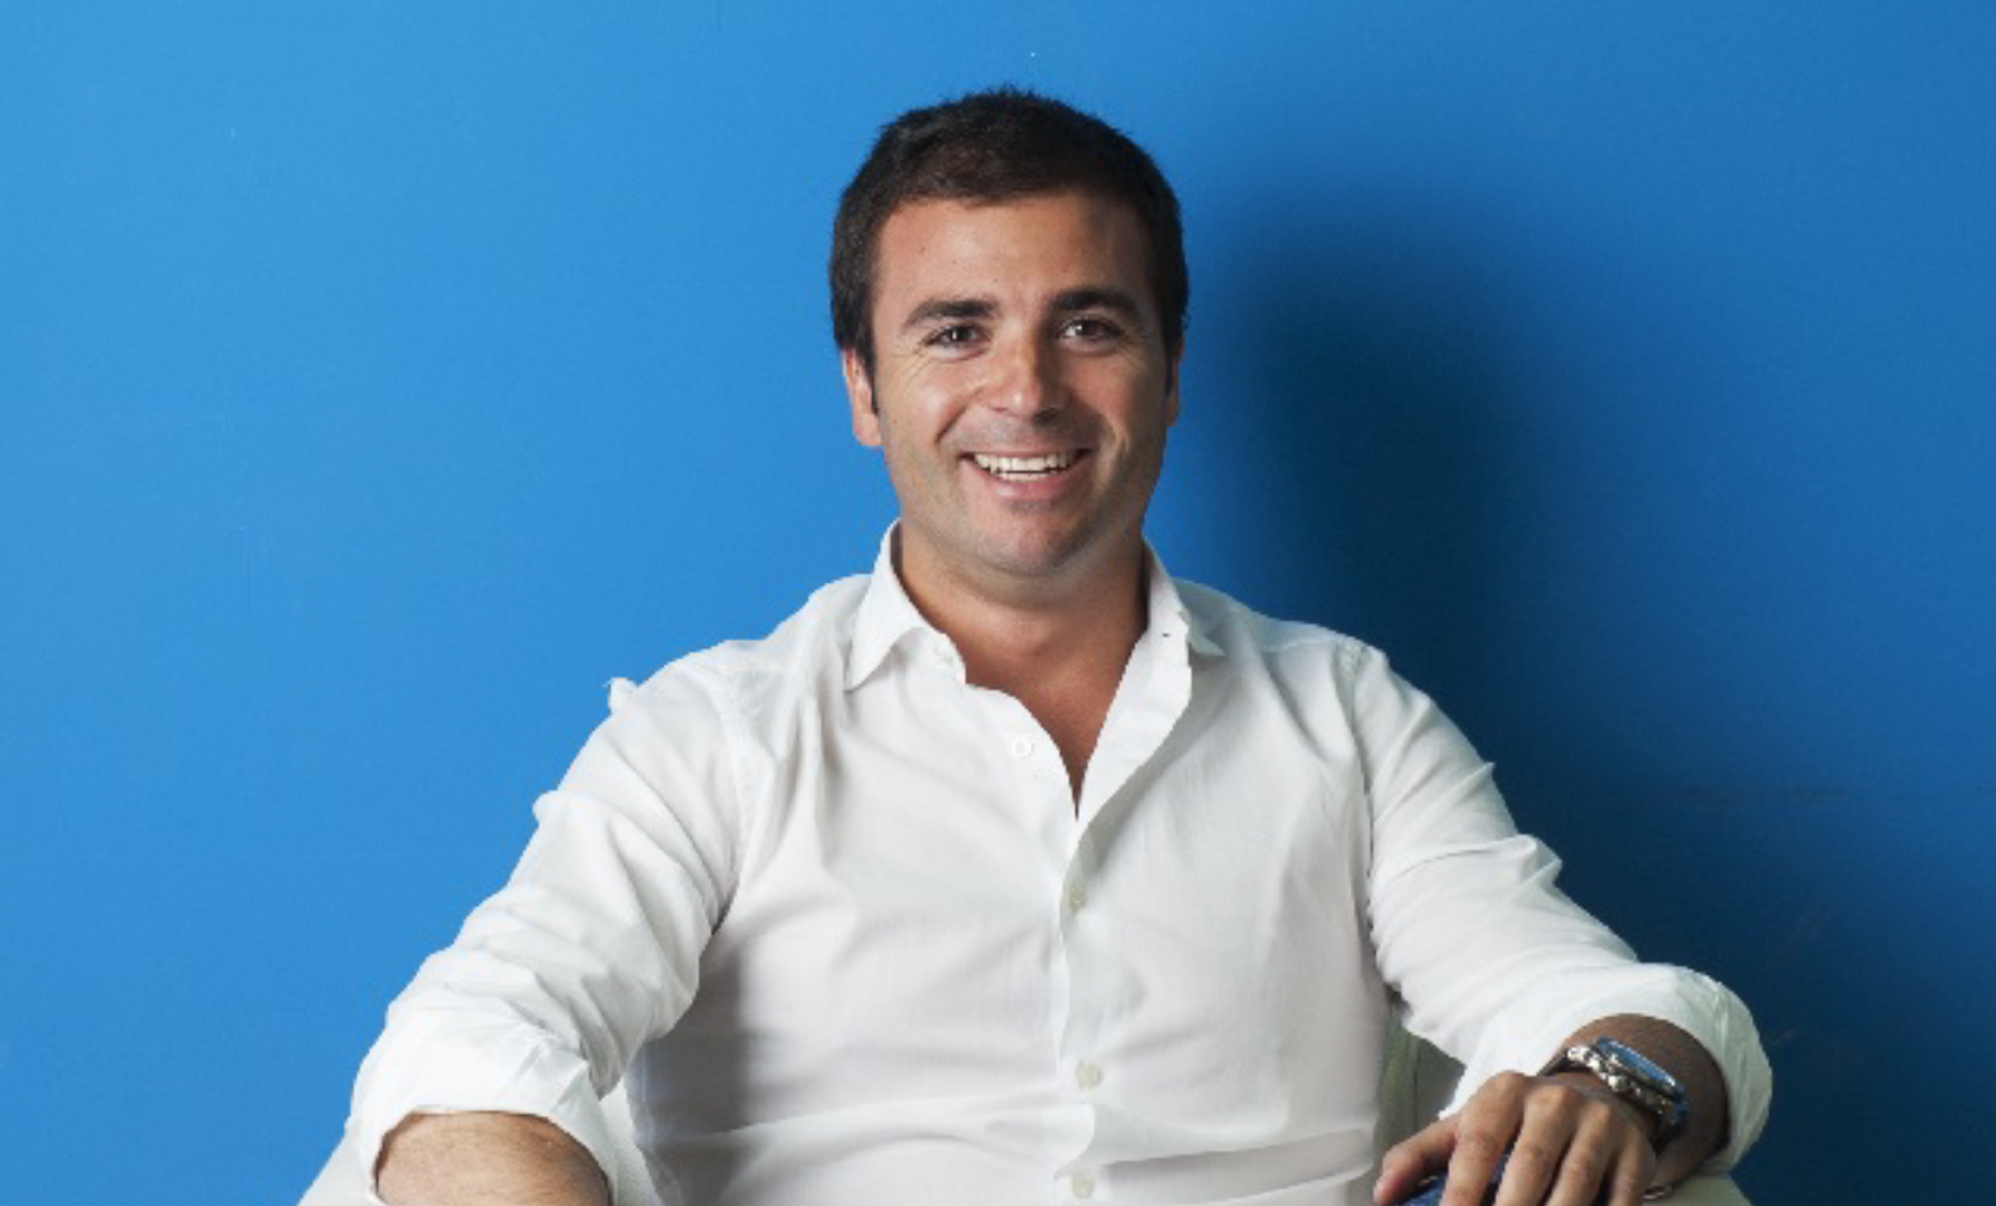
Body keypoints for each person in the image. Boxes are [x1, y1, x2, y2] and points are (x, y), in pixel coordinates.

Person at [348, 88, 1770, 1206]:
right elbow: (476, 1038)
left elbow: (1611, 1005)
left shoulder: (1345, 716)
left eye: (1087, 325)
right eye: (955, 332)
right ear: (865, 388)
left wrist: (1609, 1087)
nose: (1025, 392)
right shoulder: (713, 737)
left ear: (1170, 372)